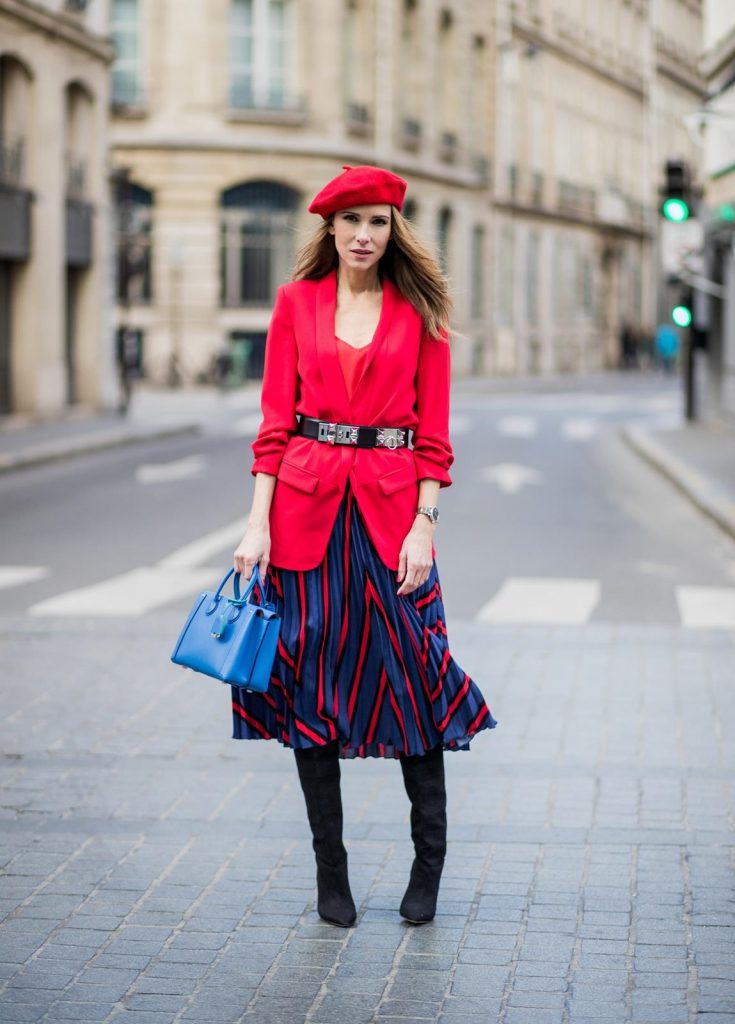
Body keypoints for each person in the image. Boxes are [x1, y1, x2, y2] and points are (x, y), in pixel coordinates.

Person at [232, 165, 497, 928]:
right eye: (350, 222)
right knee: (310, 685)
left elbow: (434, 437)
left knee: (415, 676)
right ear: (329, 229)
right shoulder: (295, 305)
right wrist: (257, 523)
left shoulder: (420, 311)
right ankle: (331, 875)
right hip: (306, 514)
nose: (362, 235)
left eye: (377, 222)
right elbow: (274, 424)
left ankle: (427, 867)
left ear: (392, 231)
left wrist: (424, 523)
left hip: (390, 522)